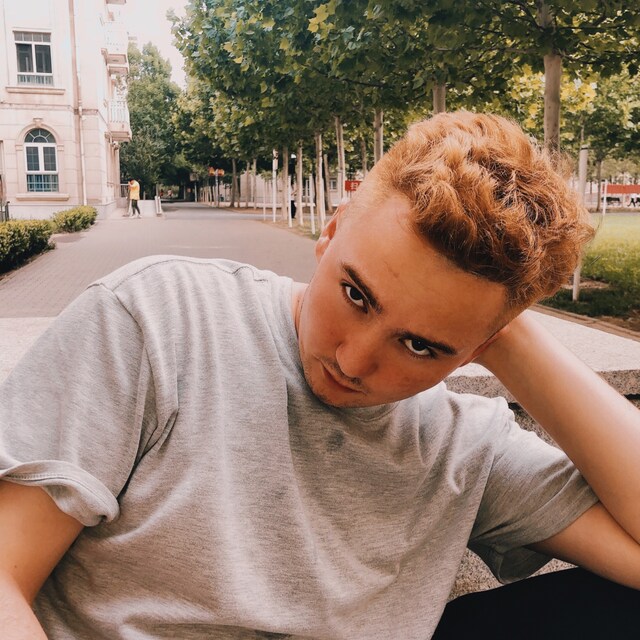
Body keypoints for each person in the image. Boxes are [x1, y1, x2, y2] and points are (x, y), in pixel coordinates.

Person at [1, 112, 639, 640]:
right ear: (331, 231)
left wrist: (514, 340)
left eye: (420, 345)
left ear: (479, 346)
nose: (354, 362)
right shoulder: (159, 319)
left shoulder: (463, 446)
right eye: (357, 295)